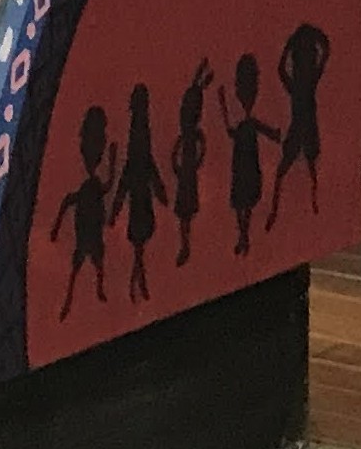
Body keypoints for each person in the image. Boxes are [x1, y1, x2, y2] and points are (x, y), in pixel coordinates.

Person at [50, 104, 118, 321]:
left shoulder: (93, 186)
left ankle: (96, 290)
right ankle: (74, 298)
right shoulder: (89, 186)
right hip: (87, 229)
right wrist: (56, 227)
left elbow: (105, 187)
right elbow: (70, 201)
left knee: (94, 263)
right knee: (80, 266)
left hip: (91, 229)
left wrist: (113, 161)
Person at [107, 82, 167, 303]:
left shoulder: (141, 138)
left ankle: (137, 284)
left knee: (139, 248)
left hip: (141, 201)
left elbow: (143, 171)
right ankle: (138, 284)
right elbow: (131, 179)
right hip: (139, 201)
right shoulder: (138, 142)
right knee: (139, 248)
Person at [270, 23, 332, 227]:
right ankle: (311, 204)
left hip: (301, 128)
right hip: (302, 128)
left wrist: (289, 46)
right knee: (298, 170)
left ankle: (311, 204)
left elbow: (281, 70)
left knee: (296, 170)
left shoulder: (301, 85)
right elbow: (282, 70)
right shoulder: (306, 84)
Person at [225, 52, 283, 257]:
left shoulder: (248, 122)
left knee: (244, 201)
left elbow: (261, 131)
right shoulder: (246, 122)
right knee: (242, 201)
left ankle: (244, 237)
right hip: (243, 161)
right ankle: (243, 236)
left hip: (247, 162)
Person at [172, 59, 215, 267]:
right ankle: (185, 244)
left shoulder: (192, 136)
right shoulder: (190, 136)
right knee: (184, 214)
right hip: (185, 176)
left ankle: (186, 244)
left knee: (185, 213)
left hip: (187, 177)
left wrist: (185, 166)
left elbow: (198, 154)